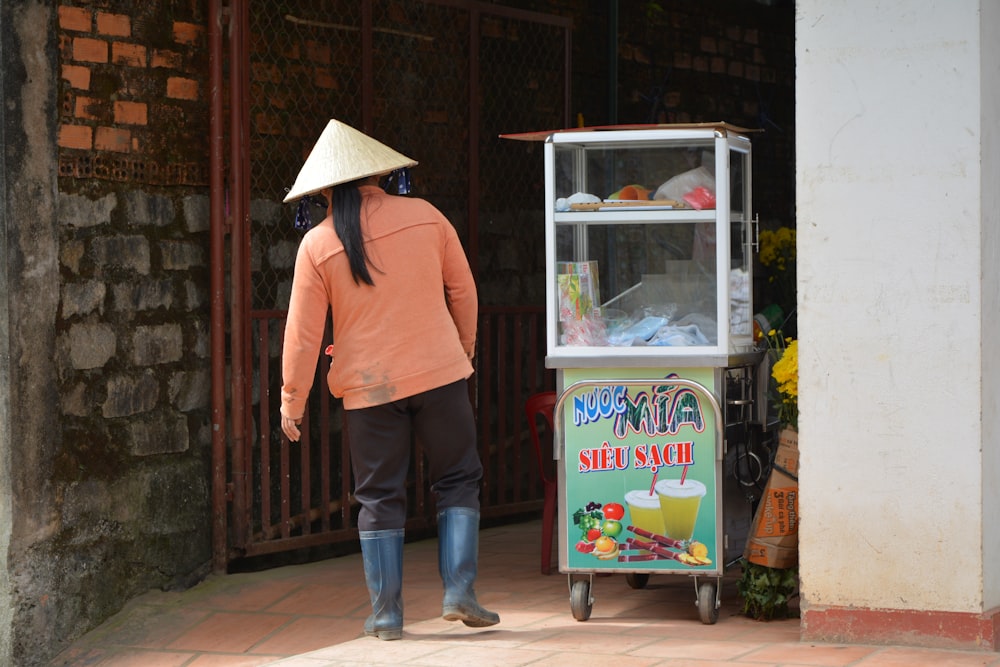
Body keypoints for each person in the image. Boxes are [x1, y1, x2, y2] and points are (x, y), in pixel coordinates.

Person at [279, 119, 499, 641]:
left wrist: (293, 401)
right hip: (439, 375)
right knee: (457, 478)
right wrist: (461, 350)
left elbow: (303, 335)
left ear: (325, 187)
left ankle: (386, 615)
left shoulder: (317, 243)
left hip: (369, 390)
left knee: (378, 496)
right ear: (380, 172)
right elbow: (464, 292)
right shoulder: (427, 216)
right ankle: (460, 592)